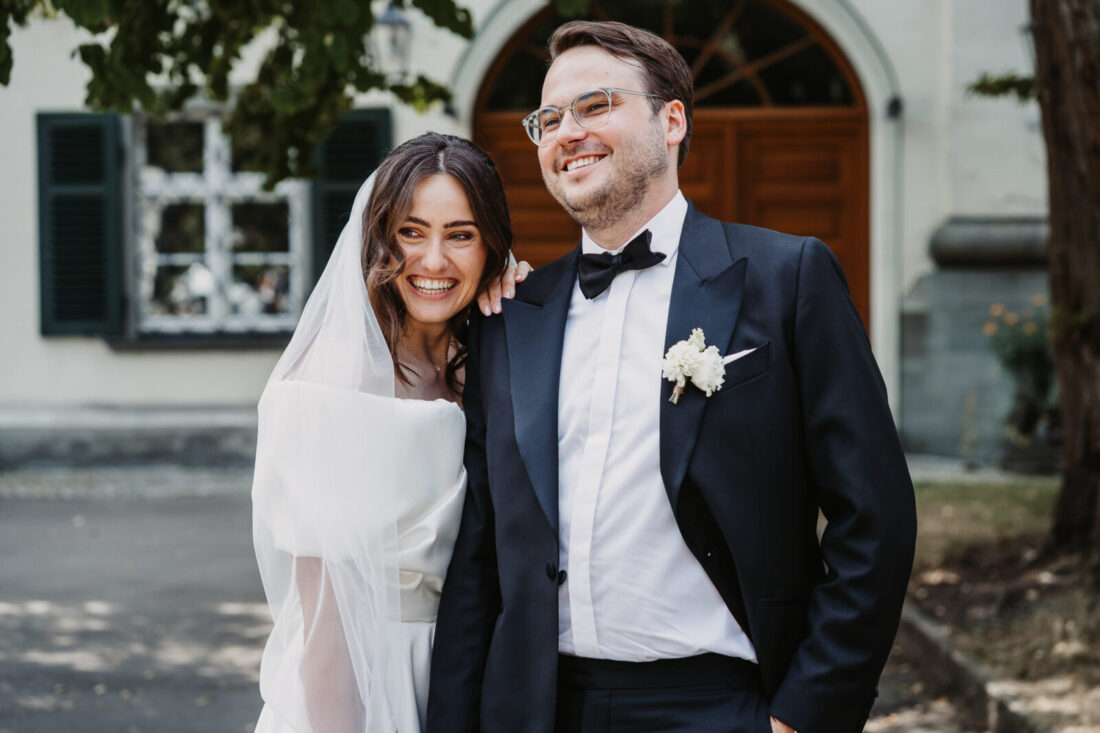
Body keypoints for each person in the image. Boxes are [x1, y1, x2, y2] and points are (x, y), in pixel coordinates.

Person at [427, 20, 917, 733]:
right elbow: (479, 561)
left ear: (672, 119)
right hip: (538, 708)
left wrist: (805, 715)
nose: (568, 131)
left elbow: (874, 516)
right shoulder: (511, 317)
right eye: (550, 118)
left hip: (724, 705)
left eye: (596, 105)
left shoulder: (788, 280)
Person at [251, 132, 527, 733]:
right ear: (379, 238)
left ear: (492, 248)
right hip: (360, 678)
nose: (434, 261)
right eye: (411, 232)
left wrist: (529, 306)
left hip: (467, 674)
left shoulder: (484, 360)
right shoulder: (336, 382)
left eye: (461, 234)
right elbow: (327, 617)